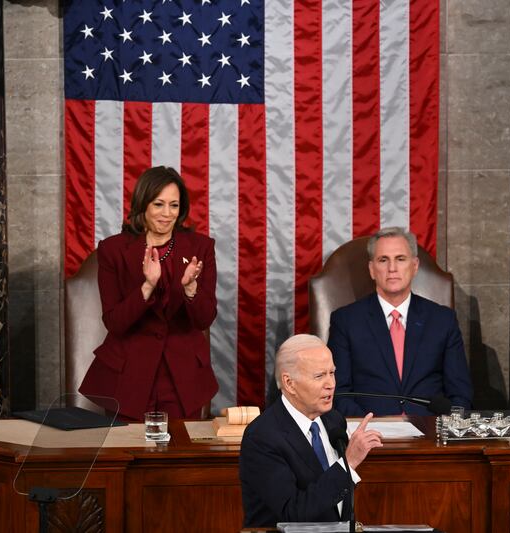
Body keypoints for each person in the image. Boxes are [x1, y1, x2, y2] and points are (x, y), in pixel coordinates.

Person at [79, 166, 218, 420]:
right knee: (126, 455)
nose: (167, 214)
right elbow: (114, 323)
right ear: (143, 204)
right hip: (128, 378)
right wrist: (147, 287)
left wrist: (190, 289)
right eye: (159, 204)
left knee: (178, 458)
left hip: (182, 378)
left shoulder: (201, 248)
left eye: (174, 206)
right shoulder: (113, 250)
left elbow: (205, 319)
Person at [239, 334, 383, 528]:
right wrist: (348, 464)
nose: (331, 384)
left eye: (332, 373)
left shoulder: (334, 420)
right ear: (289, 383)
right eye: (319, 376)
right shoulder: (262, 437)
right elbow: (292, 515)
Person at [329, 227, 473, 416]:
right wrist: (369, 426)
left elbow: (460, 395)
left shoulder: (443, 320)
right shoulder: (346, 321)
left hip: (430, 435)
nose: (392, 269)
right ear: (372, 269)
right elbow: (338, 394)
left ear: (414, 266)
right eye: (383, 260)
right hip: (370, 433)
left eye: (400, 259)